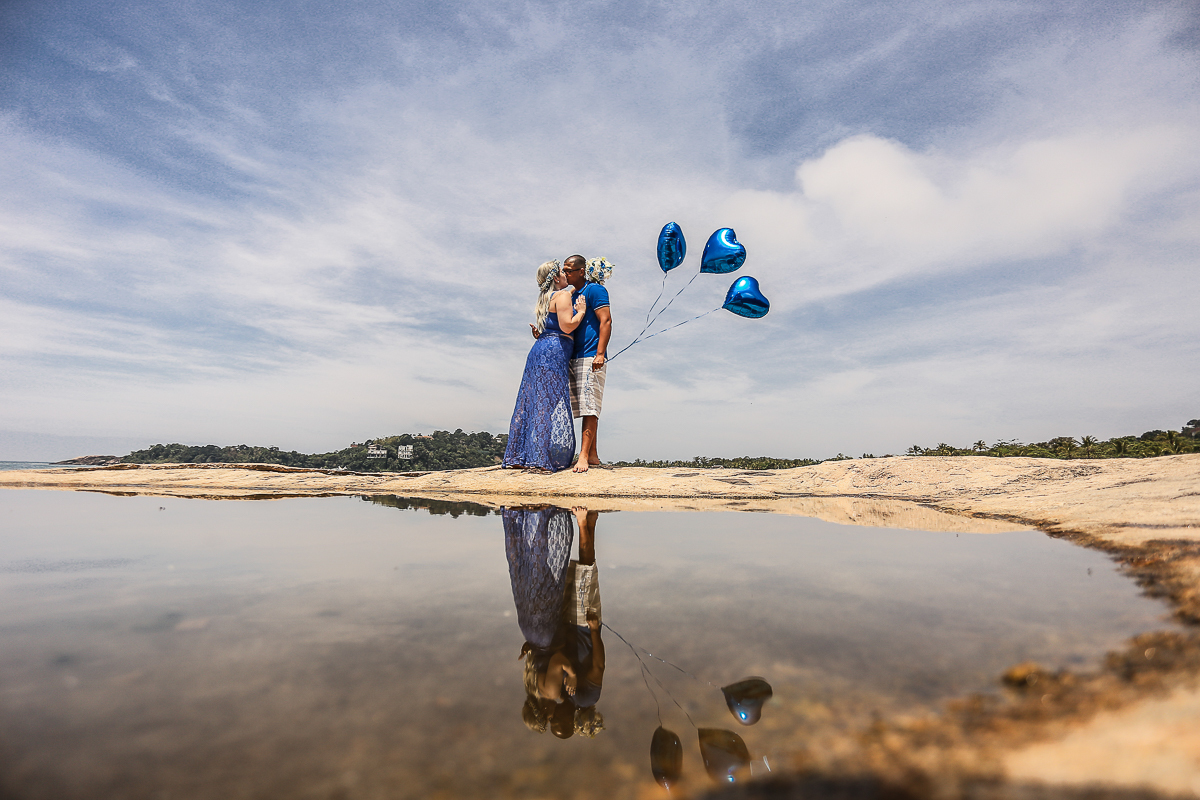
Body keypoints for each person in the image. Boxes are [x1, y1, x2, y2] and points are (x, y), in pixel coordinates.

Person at [503, 260, 587, 472]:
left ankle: (517, 455)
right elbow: (567, 326)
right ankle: (540, 458)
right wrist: (582, 312)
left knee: (528, 403)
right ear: (556, 278)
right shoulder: (563, 295)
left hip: (539, 350)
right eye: (562, 271)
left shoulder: (544, 298)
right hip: (554, 353)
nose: (566, 274)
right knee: (545, 405)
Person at [562, 255, 612, 473]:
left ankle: (582, 456)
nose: (566, 274)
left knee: (590, 407)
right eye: (564, 270)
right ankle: (592, 455)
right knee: (583, 406)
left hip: (591, 355)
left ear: (582, 271)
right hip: (575, 355)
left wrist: (600, 353)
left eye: (569, 270)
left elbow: (606, 320)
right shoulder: (573, 294)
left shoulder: (594, 291)